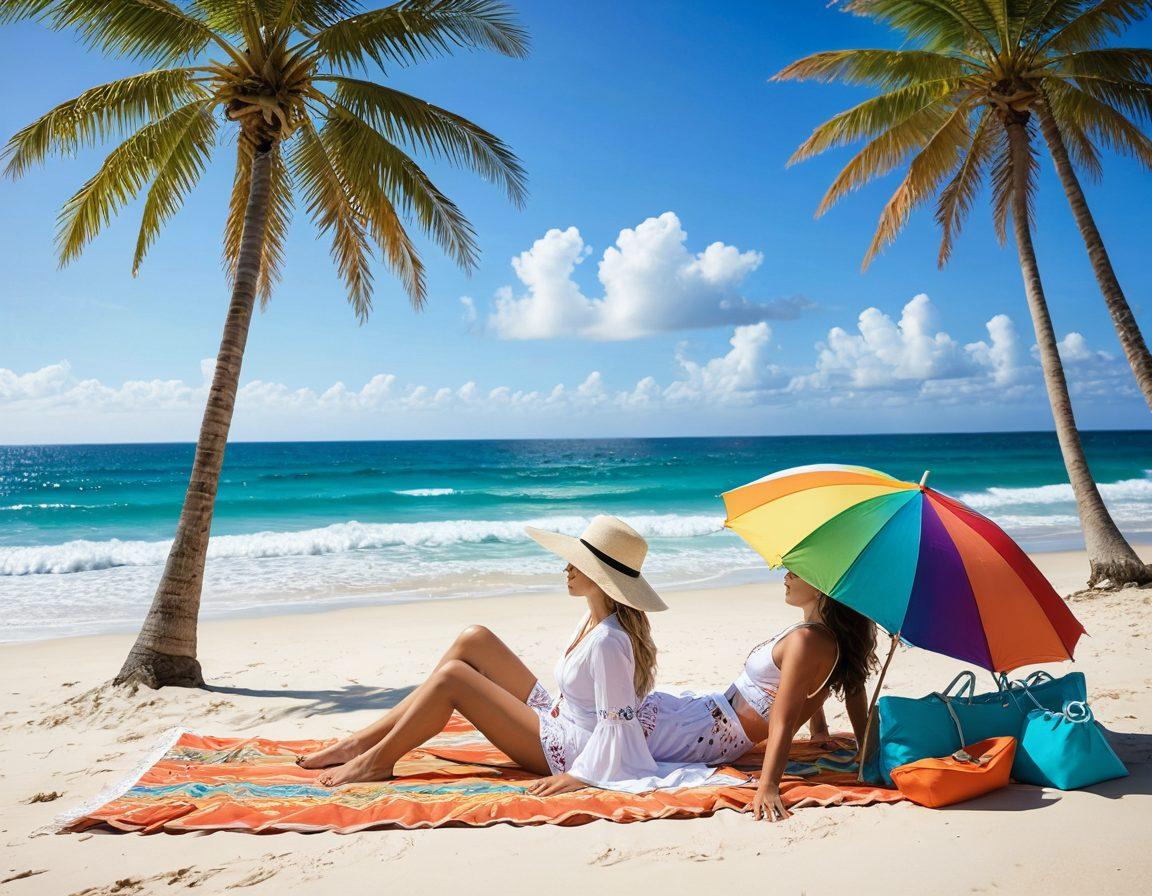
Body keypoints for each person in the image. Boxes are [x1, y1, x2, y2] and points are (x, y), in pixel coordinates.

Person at [298, 515, 721, 793]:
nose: (567, 567)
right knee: (474, 638)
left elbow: (618, 727)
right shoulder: (592, 618)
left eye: (577, 563)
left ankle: (376, 762)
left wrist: (579, 777)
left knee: (453, 679)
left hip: (569, 750)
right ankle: (359, 743)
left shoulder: (610, 640)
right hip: (558, 718)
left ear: (600, 575)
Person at [641, 569, 877, 822]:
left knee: (611, 730)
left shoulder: (808, 640)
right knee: (616, 712)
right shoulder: (812, 634)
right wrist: (821, 731)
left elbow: (784, 718)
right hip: (706, 716)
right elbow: (809, 689)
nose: (786, 577)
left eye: (795, 574)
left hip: (705, 735)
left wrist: (769, 785)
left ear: (820, 587)